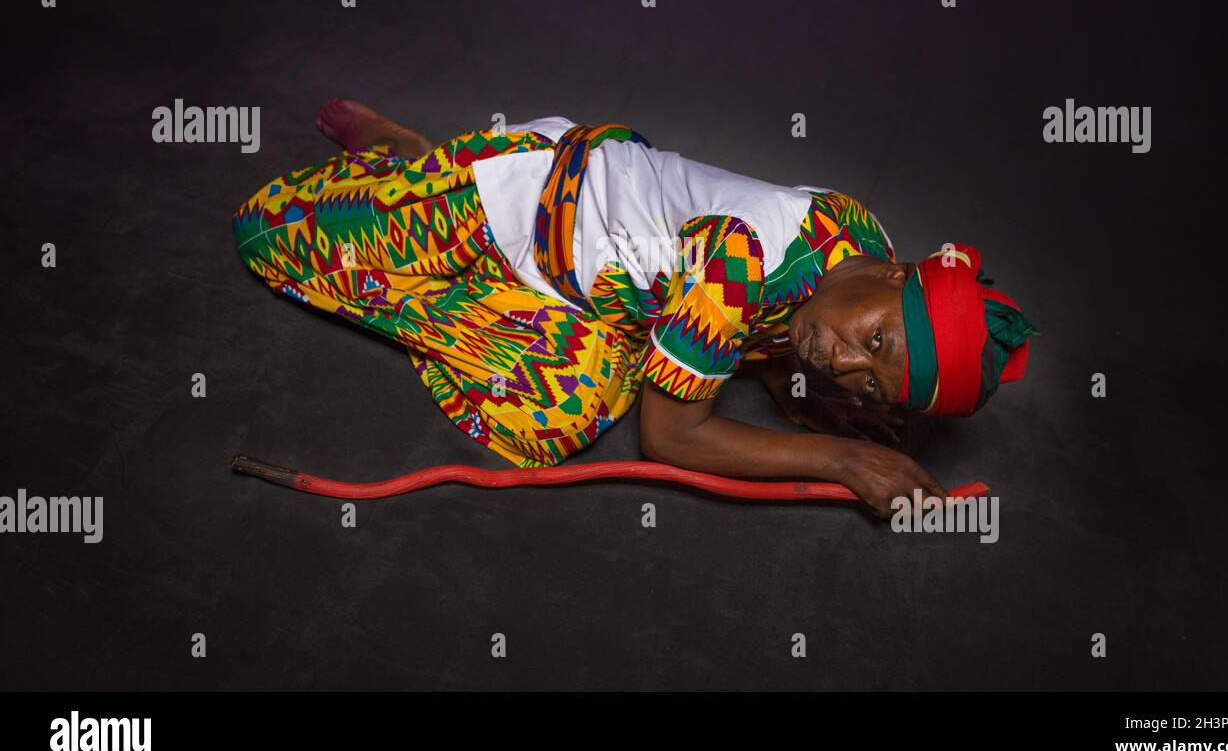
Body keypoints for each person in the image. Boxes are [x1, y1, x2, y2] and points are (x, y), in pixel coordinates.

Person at [231, 100, 1036, 516]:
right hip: (500, 203)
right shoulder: (736, 264)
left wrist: (831, 406)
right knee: (266, 234)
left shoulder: (856, 236)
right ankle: (408, 163)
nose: (841, 363)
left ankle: (408, 185)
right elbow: (668, 436)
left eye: (868, 381)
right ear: (896, 274)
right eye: (875, 340)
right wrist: (843, 458)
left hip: (600, 264)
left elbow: (790, 328)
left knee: (560, 415)